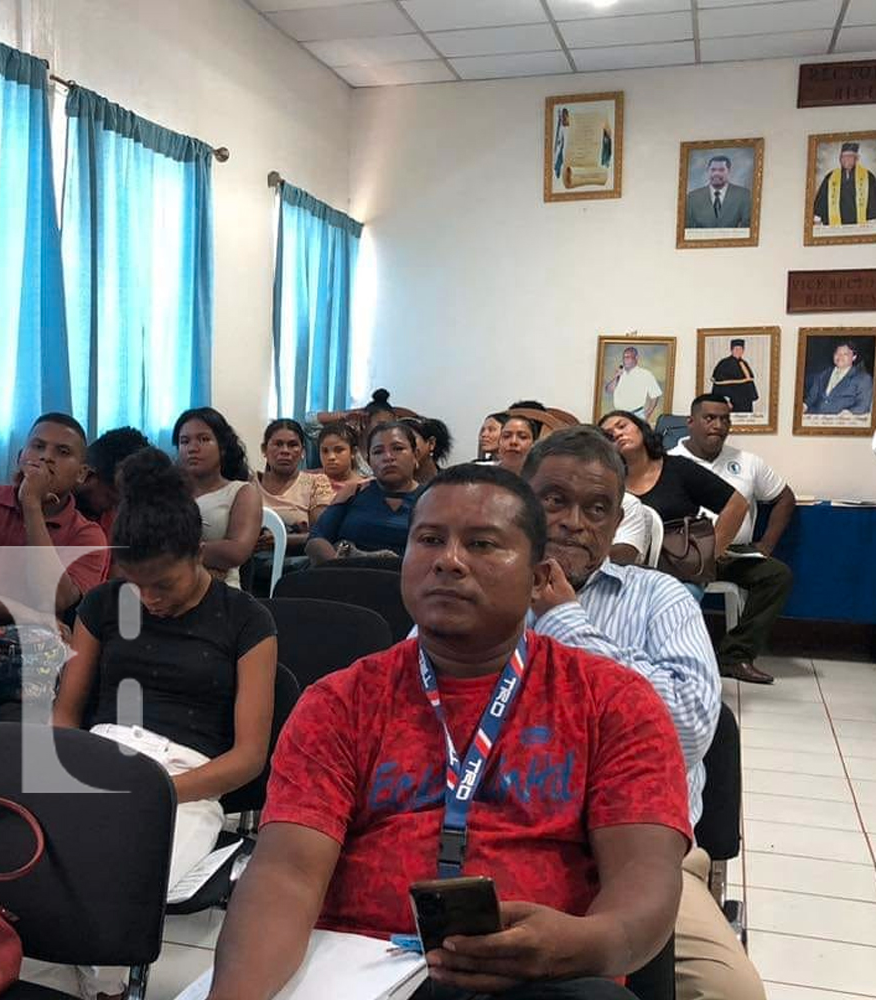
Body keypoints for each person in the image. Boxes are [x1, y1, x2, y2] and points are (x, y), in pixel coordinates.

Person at [206, 464, 691, 1000]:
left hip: (543, 978)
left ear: (537, 579)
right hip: (362, 967)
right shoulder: (342, 701)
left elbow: (644, 876)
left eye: (483, 544)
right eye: (430, 540)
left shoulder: (611, 699)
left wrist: (589, 944)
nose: (449, 561)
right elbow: (285, 876)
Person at [520, 428, 763, 1000]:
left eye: (597, 508)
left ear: (618, 519)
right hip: (499, 835)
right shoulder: (479, 589)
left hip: (642, 860)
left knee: (731, 993)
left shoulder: (661, 598)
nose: (574, 522)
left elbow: (688, 729)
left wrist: (565, 625)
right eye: (554, 501)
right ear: (520, 501)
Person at [52, 448, 277, 1000]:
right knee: (42, 863)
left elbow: (249, 757)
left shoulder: (246, 620)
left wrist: (157, 793)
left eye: (164, 584)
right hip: (102, 758)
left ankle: (105, 984)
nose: (149, 599)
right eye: (136, 584)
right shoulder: (104, 604)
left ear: (199, 554)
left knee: (126, 880)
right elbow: (67, 711)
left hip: (189, 779)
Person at [0, 413, 108, 720]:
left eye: (62, 452)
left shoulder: (88, 534)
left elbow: (53, 599)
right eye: (38, 446)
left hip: (29, 662)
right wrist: (26, 612)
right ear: (20, 456)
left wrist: (31, 505)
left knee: (16, 733)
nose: (46, 457)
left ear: (81, 474)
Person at [670, 395, 794, 686]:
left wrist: (765, 545)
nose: (718, 425)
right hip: (686, 553)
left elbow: (784, 498)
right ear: (691, 422)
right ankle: (675, 655)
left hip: (735, 554)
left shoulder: (747, 462)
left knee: (777, 575)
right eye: (709, 418)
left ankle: (734, 656)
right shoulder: (670, 463)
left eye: (725, 419)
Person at [598, 410, 748, 562]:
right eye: (609, 435)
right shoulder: (606, 484)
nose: (617, 434)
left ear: (641, 429)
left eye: (622, 426)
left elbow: (737, 505)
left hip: (682, 571)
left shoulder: (678, 468)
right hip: (627, 570)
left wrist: (710, 556)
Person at [306, 422, 420, 565]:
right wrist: (338, 569)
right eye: (378, 452)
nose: (388, 457)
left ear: (415, 455)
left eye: (398, 448)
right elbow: (316, 539)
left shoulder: (431, 498)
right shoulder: (354, 492)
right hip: (347, 578)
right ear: (369, 461)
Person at [174, 407, 262, 589]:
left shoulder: (242, 492)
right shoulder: (168, 493)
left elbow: (236, 551)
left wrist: (172, 552)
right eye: (184, 441)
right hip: (167, 591)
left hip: (222, 592)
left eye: (204, 439)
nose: (192, 448)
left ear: (222, 448)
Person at [257, 419, 334, 553]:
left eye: (293, 445)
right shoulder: (248, 484)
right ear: (264, 449)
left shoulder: (316, 483)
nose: (285, 451)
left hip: (297, 563)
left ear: (303, 451)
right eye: (278, 444)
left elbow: (322, 535)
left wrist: (282, 539)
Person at [73, 426, 152, 540]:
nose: (112, 509)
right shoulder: (46, 507)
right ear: (89, 476)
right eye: (110, 498)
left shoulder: (109, 521)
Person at [812, 141, 876, 228]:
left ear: (856, 159)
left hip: (861, 226)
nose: (846, 159)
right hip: (835, 227)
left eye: (850, 157)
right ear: (840, 159)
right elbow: (821, 201)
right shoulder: (831, 177)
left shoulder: (868, 177)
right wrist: (818, 218)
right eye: (843, 157)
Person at [803, 340, 874, 417]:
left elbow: (863, 404)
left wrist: (849, 413)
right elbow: (811, 398)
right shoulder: (823, 375)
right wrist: (804, 406)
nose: (840, 357)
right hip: (815, 417)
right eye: (837, 353)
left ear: (854, 357)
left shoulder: (863, 378)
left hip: (842, 421)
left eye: (845, 354)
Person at [684, 155, 753, 229]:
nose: (716, 173)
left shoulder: (743, 195)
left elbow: (747, 228)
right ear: (708, 171)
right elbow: (688, 229)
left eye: (721, 170)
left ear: (729, 171)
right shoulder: (692, 197)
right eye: (713, 170)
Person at [602, 347, 663, 424]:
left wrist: (648, 413)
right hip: (619, 414)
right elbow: (608, 390)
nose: (625, 360)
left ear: (636, 358)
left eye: (628, 357)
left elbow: (655, 395)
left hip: (636, 415)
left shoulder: (645, 374)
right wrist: (616, 377)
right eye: (624, 357)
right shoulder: (620, 373)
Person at [710, 339, 759, 414]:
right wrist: (725, 401)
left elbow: (749, 381)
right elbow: (718, 386)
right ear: (732, 350)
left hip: (745, 402)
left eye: (741, 349)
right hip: (731, 402)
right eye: (736, 349)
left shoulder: (744, 363)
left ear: (743, 350)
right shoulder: (724, 364)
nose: (739, 351)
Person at [401, 416, 453, 484]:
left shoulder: (452, 482)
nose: (403, 447)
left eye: (410, 439)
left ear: (431, 443)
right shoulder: (388, 485)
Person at [317, 421, 365, 490]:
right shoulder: (308, 481)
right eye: (325, 451)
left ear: (353, 452)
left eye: (339, 450)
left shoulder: (363, 487)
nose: (331, 457)